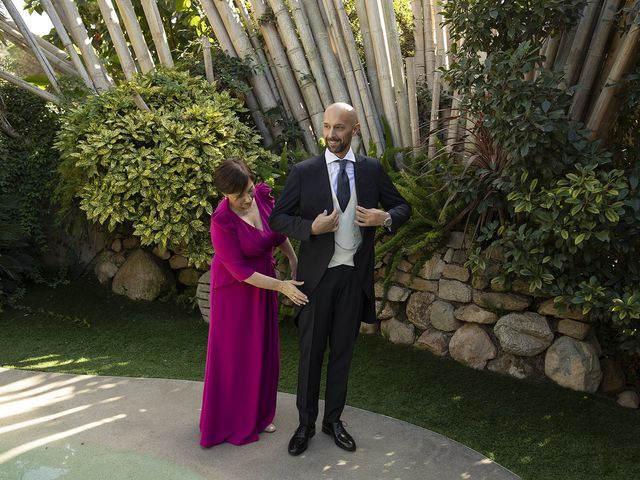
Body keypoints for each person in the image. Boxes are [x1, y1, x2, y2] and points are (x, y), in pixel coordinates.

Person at [269, 103, 411, 456]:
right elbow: (277, 218)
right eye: (328, 127)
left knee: (342, 355)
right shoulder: (305, 171)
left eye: (340, 128)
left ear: (355, 129)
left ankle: (333, 421)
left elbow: (403, 207)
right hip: (316, 281)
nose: (332, 135)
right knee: (311, 354)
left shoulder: (372, 170)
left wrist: (384, 217)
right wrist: (310, 228)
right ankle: (305, 425)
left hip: (353, 277)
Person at [199, 157, 308, 447]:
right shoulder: (221, 221)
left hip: (265, 284)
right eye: (239, 196)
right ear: (225, 195)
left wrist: (292, 257)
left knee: (262, 349)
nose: (247, 199)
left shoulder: (261, 194)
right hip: (235, 291)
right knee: (236, 355)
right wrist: (282, 286)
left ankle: (260, 415)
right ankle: (231, 420)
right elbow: (241, 272)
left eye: (247, 190)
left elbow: (275, 232)